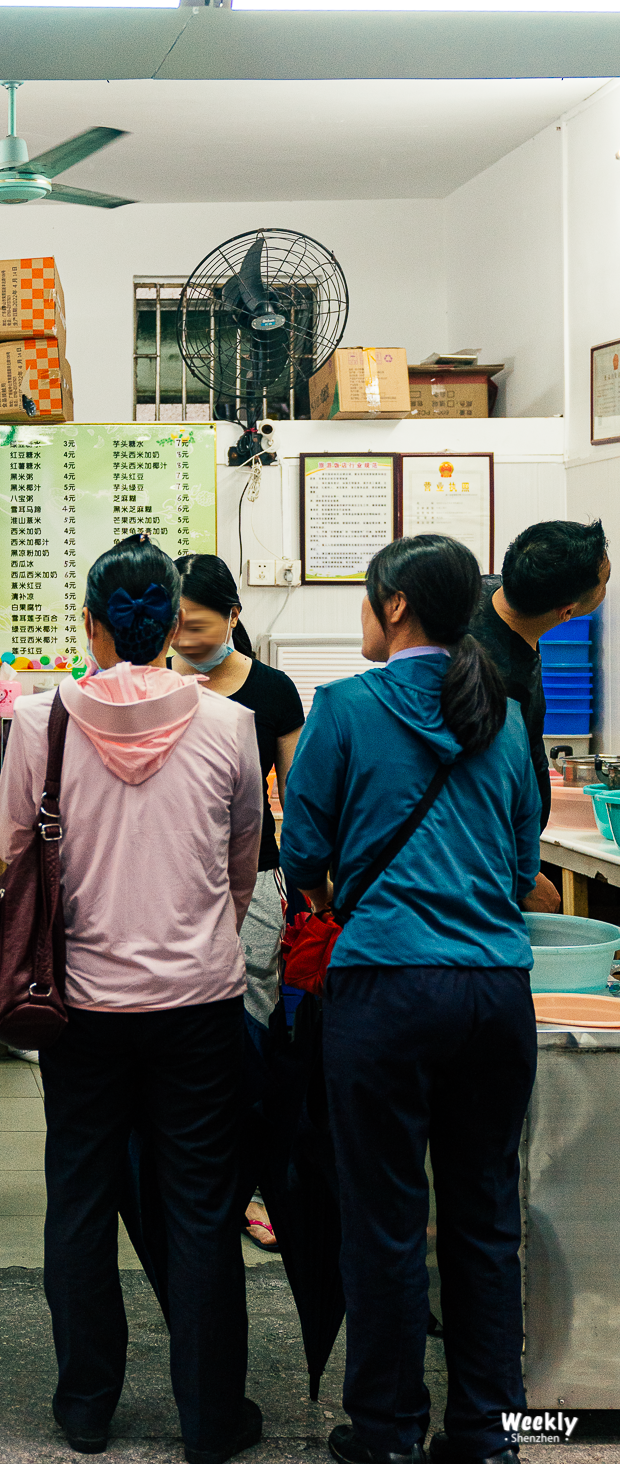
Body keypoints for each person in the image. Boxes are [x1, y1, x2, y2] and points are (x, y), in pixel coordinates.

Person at [280, 534, 545, 1464]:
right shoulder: (501, 715)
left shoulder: (346, 707)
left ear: (395, 606)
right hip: (495, 995)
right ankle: (490, 1434)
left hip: (385, 992)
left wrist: (342, 896)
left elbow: (302, 851)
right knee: (486, 1219)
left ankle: (389, 1433)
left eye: (367, 597)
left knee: (385, 1221)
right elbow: (521, 867)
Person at [0, 535, 264, 1464]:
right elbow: (240, 862)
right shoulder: (230, 724)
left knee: (79, 1197)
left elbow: (11, 855)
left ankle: (84, 1408)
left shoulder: (41, 723)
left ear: (91, 624)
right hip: (200, 1006)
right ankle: (210, 1418)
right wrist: (196, 938)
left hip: (78, 1007)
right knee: (201, 1206)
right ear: (172, 624)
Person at [170, 554, 305, 1251]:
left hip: (253, 880)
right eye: (174, 625)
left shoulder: (272, 691)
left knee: (250, 1028)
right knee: (181, 1031)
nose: (184, 639)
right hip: (171, 883)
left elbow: (300, 800)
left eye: (197, 625)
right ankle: (191, 1173)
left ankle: (252, 1182)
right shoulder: (152, 688)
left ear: (233, 616)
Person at [470, 520, 609, 908]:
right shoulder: (489, 681)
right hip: (485, 867)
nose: (606, 588)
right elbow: (476, 794)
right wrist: (523, 875)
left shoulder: (490, 591)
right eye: (604, 582)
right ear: (567, 612)